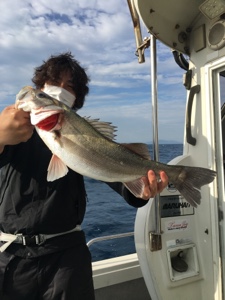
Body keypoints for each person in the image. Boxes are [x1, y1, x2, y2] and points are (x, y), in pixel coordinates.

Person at [0, 52, 168, 300]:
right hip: (10, 254)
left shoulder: (82, 135)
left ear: (76, 99)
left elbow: (118, 180)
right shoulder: (12, 131)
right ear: (41, 86)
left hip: (66, 257)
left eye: (70, 87)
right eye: (54, 83)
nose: (60, 90)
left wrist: (143, 190)